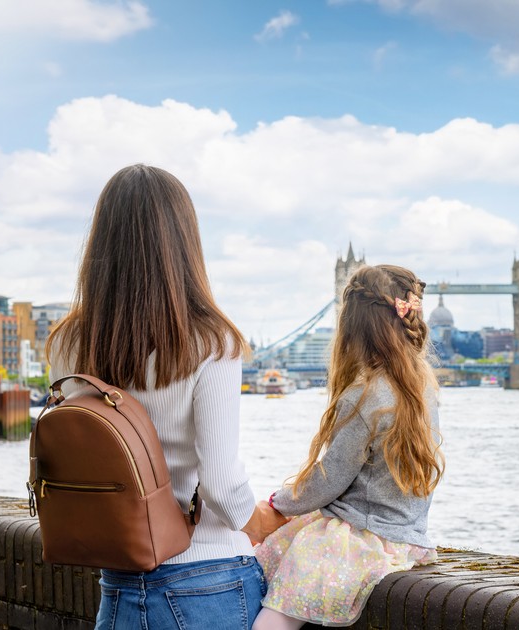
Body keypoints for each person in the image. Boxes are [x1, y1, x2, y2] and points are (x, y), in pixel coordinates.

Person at [47, 164, 286, 629]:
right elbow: (219, 480)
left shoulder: (67, 341)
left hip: (118, 584)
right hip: (209, 580)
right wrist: (256, 523)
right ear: (185, 242)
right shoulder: (213, 342)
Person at [252, 264, 444, 630]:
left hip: (361, 540)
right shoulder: (424, 388)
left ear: (353, 329)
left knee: (272, 609)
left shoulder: (366, 394)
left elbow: (330, 479)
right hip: (407, 539)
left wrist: (279, 502)